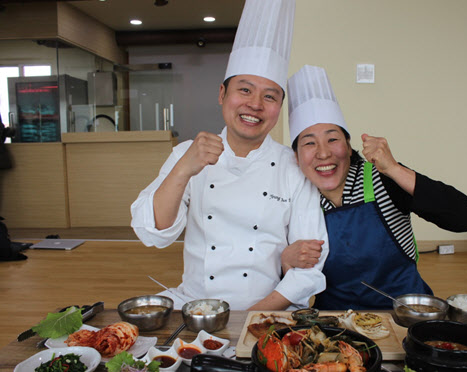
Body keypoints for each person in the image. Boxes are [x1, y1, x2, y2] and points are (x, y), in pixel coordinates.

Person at [131, 1, 328, 311]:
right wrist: (184, 170)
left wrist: (251, 319)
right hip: (197, 306)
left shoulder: (294, 166)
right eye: (245, 90)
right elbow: (153, 234)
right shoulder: (186, 153)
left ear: (279, 108)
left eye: (270, 96)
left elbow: (309, 262)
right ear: (223, 94)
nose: (255, 104)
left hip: (268, 309)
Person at [282, 65, 467, 310]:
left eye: (333, 139)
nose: (323, 153)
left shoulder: (381, 178)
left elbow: (464, 218)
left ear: (348, 144)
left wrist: (394, 168)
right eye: (309, 143)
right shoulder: (298, 197)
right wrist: (286, 259)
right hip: (335, 321)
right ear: (296, 156)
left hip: (404, 315)